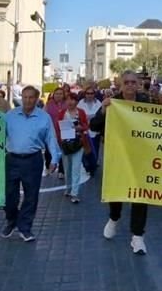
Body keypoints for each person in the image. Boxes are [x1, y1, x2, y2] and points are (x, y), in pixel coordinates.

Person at [91, 70, 151, 255]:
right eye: (127, 82)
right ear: (121, 84)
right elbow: (93, 126)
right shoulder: (112, 102)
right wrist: (103, 110)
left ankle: (138, 237)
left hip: (140, 157)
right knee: (116, 192)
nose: (131, 85)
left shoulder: (147, 103)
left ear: (139, 84)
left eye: (134, 82)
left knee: (141, 195)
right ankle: (114, 217)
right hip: (117, 156)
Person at [2, 85, 61, 242]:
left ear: (37, 99)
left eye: (31, 97)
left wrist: (54, 159)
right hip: (12, 159)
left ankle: (25, 227)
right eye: (25, 97)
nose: (27, 100)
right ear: (21, 98)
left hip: (33, 160)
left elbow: (51, 139)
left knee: (31, 196)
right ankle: (12, 219)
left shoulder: (44, 117)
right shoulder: (10, 116)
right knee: (9, 196)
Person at [54, 93, 91, 203]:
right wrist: (59, 141)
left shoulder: (81, 112)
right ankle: (68, 188)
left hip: (78, 143)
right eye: (68, 100)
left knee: (76, 168)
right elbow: (57, 127)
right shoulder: (62, 113)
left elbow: (86, 126)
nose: (70, 102)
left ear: (76, 101)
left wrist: (80, 127)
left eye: (72, 100)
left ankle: (75, 193)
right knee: (67, 168)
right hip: (65, 143)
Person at [78, 83, 103, 176]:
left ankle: (93, 166)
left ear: (94, 94)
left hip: (95, 132)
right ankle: (87, 166)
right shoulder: (81, 103)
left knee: (95, 150)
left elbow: (100, 116)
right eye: (88, 93)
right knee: (85, 151)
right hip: (84, 132)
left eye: (91, 93)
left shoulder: (99, 103)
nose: (89, 95)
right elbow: (79, 115)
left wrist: (91, 117)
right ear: (85, 94)